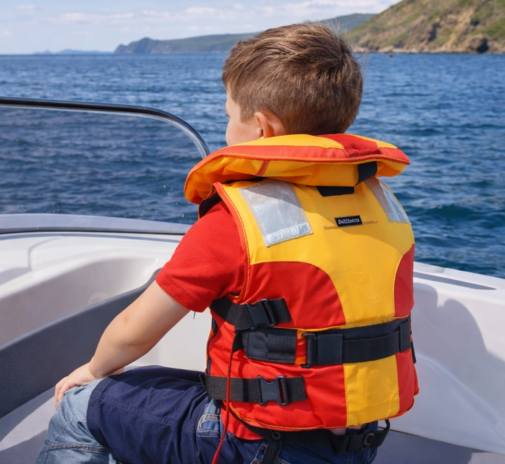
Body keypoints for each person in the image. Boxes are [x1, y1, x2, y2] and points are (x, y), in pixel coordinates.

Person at [38, 23, 418, 464]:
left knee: (82, 407)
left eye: (228, 114)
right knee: (158, 381)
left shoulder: (237, 220)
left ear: (261, 128)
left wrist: (92, 371)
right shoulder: (382, 205)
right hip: (355, 443)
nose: (224, 126)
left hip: (253, 446)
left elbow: (133, 332)